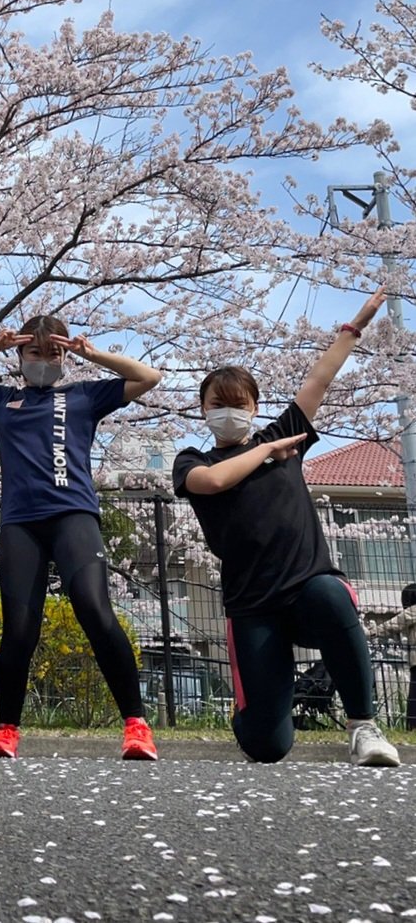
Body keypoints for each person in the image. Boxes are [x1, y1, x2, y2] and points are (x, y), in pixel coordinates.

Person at [172, 285, 400, 767]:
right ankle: (257, 710)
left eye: (237, 403)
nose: (227, 411)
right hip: (252, 604)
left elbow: (320, 377)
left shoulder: (285, 437)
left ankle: (363, 726)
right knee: (267, 747)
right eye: (217, 403)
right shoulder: (193, 459)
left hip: (306, 589)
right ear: (203, 410)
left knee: (333, 595)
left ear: (255, 408)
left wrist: (354, 326)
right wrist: (264, 452)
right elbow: (213, 481)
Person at [0, 314, 163, 761]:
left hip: (74, 516)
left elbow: (149, 377)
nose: (45, 361)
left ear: (65, 356)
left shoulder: (84, 395)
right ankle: (6, 730)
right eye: (35, 352)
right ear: (21, 356)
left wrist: (90, 354)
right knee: (19, 629)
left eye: (53, 353)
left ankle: (136, 726)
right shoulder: (2, 399)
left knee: (96, 612)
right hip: (21, 523)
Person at [369, 583, 416, 730]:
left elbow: (393, 625)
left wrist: (370, 633)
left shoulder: (413, 611)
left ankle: (412, 727)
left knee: (414, 699)